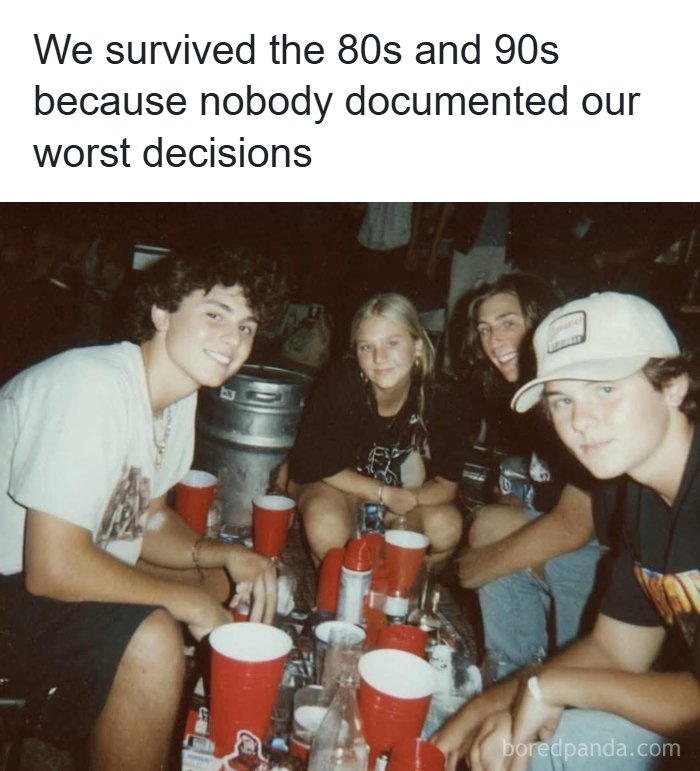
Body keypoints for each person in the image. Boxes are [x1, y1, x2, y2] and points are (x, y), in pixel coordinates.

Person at [0, 249, 286, 770]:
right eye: (216, 314)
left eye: (247, 327)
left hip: (43, 569)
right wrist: (188, 604)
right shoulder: (91, 386)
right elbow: (53, 567)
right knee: (153, 634)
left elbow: (145, 520)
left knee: (223, 584)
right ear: (161, 312)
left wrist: (222, 554)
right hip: (13, 581)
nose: (233, 340)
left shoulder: (176, 398)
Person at [434, 291, 699, 771]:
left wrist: (555, 688)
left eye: (604, 388)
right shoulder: (642, 497)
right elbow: (616, 651)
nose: (580, 420)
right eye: (562, 399)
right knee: (509, 739)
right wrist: (481, 710)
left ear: (673, 386)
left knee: (545, 742)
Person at [455, 273, 602, 678]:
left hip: (614, 554)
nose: (493, 341)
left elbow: (575, 525)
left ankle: (579, 680)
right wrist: (507, 504)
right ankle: (511, 669)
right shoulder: (527, 398)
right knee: (492, 524)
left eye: (508, 323)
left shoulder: (574, 392)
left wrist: (476, 568)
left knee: (540, 556)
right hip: (577, 536)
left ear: (540, 324)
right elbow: (523, 480)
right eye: (484, 330)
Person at [288, 292, 467, 565]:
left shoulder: (442, 395)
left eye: (392, 343)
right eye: (366, 347)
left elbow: (446, 484)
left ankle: (405, 595)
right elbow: (314, 464)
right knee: (327, 527)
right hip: (334, 484)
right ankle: (334, 597)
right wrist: (384, 494)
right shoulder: (341, 383)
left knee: (447, 528)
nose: (379, 358)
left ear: (417, 345)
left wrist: (407, 500)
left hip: (401, 494)